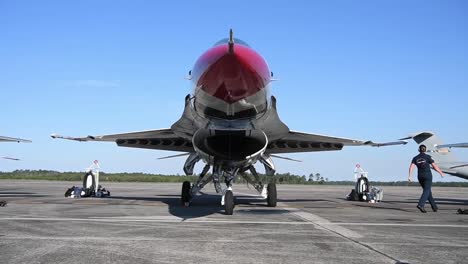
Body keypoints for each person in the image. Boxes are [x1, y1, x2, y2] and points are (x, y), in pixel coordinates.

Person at [408, 144, 444, 213]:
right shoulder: (428, 157)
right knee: (426, 190)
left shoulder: (415, 158)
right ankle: (421, 205)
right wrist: (441, 172)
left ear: (419, 150)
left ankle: (434, 207)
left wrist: (410, 176)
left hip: (420, 176)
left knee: (428, 191)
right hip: (427, 176)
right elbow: (434, 166)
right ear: (425, 150)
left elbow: (411, 167)